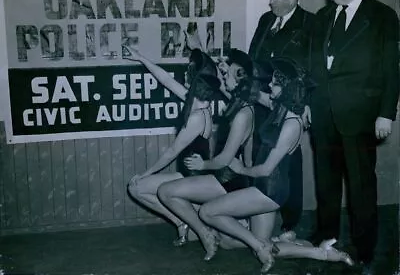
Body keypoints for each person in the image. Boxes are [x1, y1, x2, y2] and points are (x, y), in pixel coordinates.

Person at [199, 57, 354, 274]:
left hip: (269, 191)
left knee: (207, 212)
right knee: (233, 242)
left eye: (274, 83)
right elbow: (247, 91)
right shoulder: (278, 106)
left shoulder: (291, 123)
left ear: (287, 88)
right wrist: (224, 71)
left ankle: (259, 246)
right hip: (266, 188)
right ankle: (322, 253)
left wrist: (240, 168)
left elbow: (266, 169)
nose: (270, 85)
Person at [308, 0, 399, 275]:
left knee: (361, 186)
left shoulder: (383, 17)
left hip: (360, 116)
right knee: (327, 182)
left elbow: (391, 70)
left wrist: (386, 114)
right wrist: (309, 103)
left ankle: (365, 250)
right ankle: (327, 237)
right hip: (324, 116)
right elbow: (315, 67)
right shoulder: (323, 17)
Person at [157, 48, 258, 261]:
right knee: (230, 244)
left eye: (226, 74)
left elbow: (224, 159)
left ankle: (209, 236)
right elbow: (215, 82)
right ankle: (253, 234)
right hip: (229, 177)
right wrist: (200, 49)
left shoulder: (242, 114)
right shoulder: (239, 103)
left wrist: (202, 165)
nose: (222, 78)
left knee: (166, 192)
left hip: (227, 179)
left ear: (239, 76)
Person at [123, 41, 222, 247]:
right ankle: (181, 223)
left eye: (188, 70)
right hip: (187, 176)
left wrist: (146, 173)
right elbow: (166, 79)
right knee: (137, 189)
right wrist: (140, 57)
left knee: (138, 185)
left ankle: (194, 221)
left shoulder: (197, 115)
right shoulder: (196, 101)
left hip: (195, 180)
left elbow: (172, 152)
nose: (184, 73)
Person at [248, 0, 315, 240]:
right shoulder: (266, 21)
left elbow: (313, 68)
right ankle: (261, 216)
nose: (270, 1)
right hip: (263, 102)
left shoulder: (310, 24)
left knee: (288, 164)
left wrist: (305, 103)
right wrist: (258, 94)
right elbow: (254, 60)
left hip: (290, 106)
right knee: (260, 157)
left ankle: (289, 224)